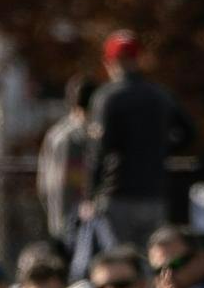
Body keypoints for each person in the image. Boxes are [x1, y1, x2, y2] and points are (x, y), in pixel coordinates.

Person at [86, 31, 191, 247]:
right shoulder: (160, 95)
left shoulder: (107, 97)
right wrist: (162, 149)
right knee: (152, 259)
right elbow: (189, 132)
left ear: (110, 62)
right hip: (154, 192)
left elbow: (99, 150)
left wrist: (90, 194)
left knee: (119, 259)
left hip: (117, 192)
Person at [38, 75, 96, 239]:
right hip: (78, 222)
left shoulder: (55, 133)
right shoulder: (80, 137)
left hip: (57, 218)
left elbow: (42, 183)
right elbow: (75, 181)